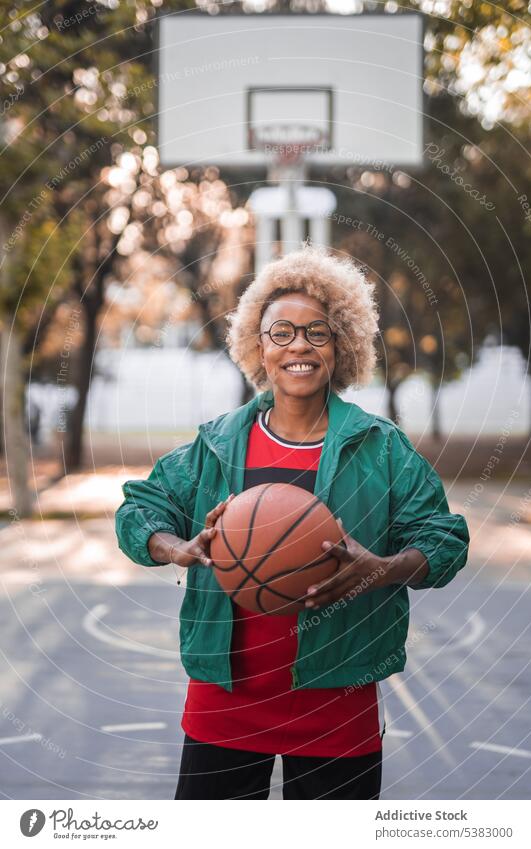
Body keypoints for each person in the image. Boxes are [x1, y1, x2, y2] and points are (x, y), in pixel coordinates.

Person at [115, 245, 469, 800]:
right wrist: (173, 546)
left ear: (342, 344)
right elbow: (140, 507)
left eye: (317, 333)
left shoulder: (381, 448)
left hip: (337, 706)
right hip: (224, 705)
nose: (299, 345)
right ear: (259, 345)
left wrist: (384, 567)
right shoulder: (217, 445)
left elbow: (443, 538)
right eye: (282, 332)